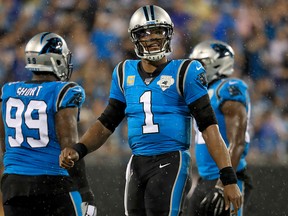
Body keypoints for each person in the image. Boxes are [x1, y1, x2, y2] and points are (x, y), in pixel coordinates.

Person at [59, 5, 242, 216]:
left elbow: (209, 128)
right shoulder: (123, 71)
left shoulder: (186, 71)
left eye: (158, 31)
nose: (153, 38)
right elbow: (106, 123)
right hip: (137, 162)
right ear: (135, 38)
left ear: (169, 34)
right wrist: (80, 148)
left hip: (171, 159)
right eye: (145, 33)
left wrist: (228, 177)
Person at [0, 32, 96, 216]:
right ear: (56, 60)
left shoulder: (8, 91)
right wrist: (86, 192)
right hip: (51, 183)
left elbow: (5, 145)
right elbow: (69, 150)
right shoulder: (63, 91)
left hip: (13, 184)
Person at [188, 40, 253, 216]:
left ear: (218, 63)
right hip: (205, 178)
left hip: (227, 178)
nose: (197, 70)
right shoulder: (202, 92)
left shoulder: (227, 88)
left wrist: (224, 182)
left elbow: (237, 142)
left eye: (201, 64)